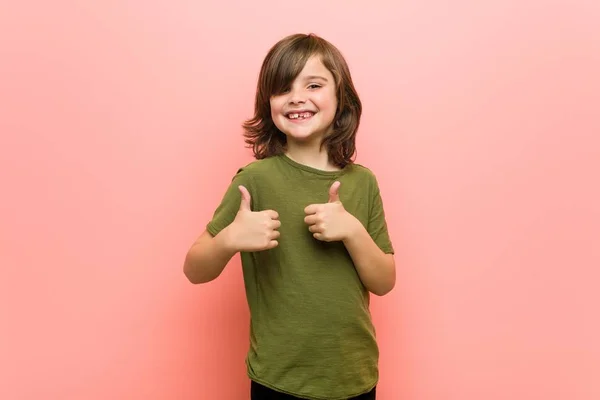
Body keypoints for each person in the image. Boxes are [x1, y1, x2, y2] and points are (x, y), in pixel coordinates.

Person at [184, 33, 395, 400]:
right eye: (283, 88)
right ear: (269, 104)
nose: (297, 96)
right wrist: (229, 239)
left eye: (313, 84)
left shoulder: (363, 183)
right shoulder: (255, 180)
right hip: (277, 380)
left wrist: (353, 231)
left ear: (341, 97)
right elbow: (194, 269)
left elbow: (384, 281)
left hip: (356, 376)